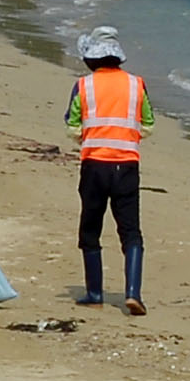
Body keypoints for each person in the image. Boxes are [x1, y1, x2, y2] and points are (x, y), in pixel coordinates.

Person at [63, 27, 148, 313]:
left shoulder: (83, 86)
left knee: (90, 229)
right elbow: (147, 125)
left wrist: (90, 136)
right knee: (131, 232)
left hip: (94, 165)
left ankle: (94, 292)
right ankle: (133, 293)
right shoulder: (137, 85)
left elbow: (73, 126)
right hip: (127, 166)